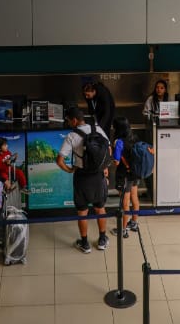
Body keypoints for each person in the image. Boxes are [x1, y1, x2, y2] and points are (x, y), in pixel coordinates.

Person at [56, 106, 111, 253]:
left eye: (68, 121)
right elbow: (109, 150)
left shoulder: (71, 136)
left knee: (82, 211)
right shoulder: (97, 129)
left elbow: (59, 160)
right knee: (100, 208)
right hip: (98, 175)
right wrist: (104, 167)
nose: (68, 123)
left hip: (82, 176)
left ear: (74, 120)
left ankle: (85, 243)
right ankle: (102, 240)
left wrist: (70, 170)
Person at [111, 117, 149, 237]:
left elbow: (117, 162)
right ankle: (134, 223)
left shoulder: (119, 142)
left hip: (124, 175)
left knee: (125, 203)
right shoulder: (135, 137)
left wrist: (112, 155)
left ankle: (123, 230)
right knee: (135, 198)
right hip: (135, 174)